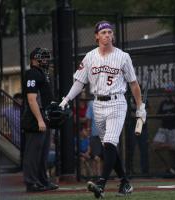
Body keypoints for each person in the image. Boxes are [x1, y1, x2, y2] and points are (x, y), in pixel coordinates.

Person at [59, 20, 146, 198]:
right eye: (103, 32)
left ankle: (101, 184)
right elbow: (79, 82)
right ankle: (125, 182)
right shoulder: (90, 57)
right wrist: (66, 99)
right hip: (97, 104)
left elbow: (133, 84)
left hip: (117, 102)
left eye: (109, 32)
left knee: (109, 143)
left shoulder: (123, 56)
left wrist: (140, 107)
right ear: (96, 36)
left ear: (112, 35)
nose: (107, 35)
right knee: (110, 147)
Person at [22, 47, 59, 192]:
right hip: (34, 120)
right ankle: (31, 183)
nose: (45, 60)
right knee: (33, 153)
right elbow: (32, 99)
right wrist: (39, 120)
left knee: (43, 153)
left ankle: (43, 181)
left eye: (46, 58)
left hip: (44, 117)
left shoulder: (42, 74)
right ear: (33, 60)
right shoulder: (32, 73)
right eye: (42, 58)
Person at [152, 83, 175, 176]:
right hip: (163, 128)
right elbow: (159, 115)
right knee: (155, 146)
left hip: (174, 128)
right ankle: (168, 167)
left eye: (170, 92)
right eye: (167, 92)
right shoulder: (163, 103)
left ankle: (173, 170)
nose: (168, 94)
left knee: (173, 152)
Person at [128, 96, 149, 175]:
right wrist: (137, 114)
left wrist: (140, 113)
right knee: (131, 149)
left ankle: (145, 172)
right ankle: (130, 171)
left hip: (142, 126)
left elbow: (147, 111)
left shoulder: (144, 99)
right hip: (132, 126)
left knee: (144, 149)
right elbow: (129, 113)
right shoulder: (129, 99)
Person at [86, 100, 103, 178]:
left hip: (106, 134)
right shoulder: (91, 103)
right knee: (95, 156)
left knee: (103, 157)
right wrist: (89, 129)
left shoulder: (109, 101)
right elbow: (89, 118)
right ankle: (96, 175)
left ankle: (101, 176)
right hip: (95, 133)